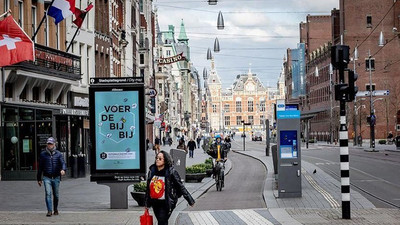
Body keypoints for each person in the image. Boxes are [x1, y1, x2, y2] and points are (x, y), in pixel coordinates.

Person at [145, 151, 195, 225]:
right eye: (156, 158)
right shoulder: (152, 171)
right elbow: (148, 188)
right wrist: (147, 203)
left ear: (165, 160)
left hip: (167, 202)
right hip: (155, 202)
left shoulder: (171, 172)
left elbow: (180, 186)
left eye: (160, 158)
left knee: (162, 221)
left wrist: (190, 200)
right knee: (161, 220)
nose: (157, 160)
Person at [37, 137, 66, 217]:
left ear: (54, 144)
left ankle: (55, 209)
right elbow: (40, 167)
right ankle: (49, 210)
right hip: (47, 177)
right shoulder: (43, 154)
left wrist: (63, 169)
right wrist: (39, 178)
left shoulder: (58, 154)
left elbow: (63, 163)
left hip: (56, 177)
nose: (49, 145)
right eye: (48, 144)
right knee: (48, 193)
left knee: (56, 195)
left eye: (51, 144)